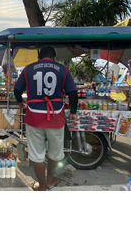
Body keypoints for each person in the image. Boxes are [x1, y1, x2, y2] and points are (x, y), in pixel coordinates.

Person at [14, 46, 78, 191]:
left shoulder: (28, 69)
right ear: (54, 58)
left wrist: (20, 101)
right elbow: (72, 92)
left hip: (34, 117)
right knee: (55, 153)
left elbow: (17, 90)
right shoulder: (63, 69)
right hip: (56, 118)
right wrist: (73, 112)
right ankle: (50, 180)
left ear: (39, 58)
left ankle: (41, 186)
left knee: (37, 154)